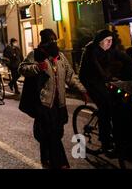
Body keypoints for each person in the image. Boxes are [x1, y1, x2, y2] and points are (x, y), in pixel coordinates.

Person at [19, 29, 88, 169]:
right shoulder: (36, 55)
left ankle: (46, 159)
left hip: (59, 104)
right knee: (53, 136)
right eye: (49, 40)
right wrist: (37, 67)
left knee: (56, 133)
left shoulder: (61, 57)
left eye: (54, 40)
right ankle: (61, 164)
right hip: (44, 103)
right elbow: (22, 68)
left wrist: (82, 90)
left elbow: (70, 76)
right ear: (43, 42)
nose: (53, 43)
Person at [78, 29, 117, 154]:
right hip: (88, 80)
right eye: (107, 40)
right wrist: (107, 77)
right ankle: (105, 142)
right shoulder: (91, 50)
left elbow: (122, 58)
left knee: (115, 103)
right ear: (100, 41)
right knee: (104, 106)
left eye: (111, 40)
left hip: (100, 80)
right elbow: (96, 66)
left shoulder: (108, 50)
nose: (110, 43)